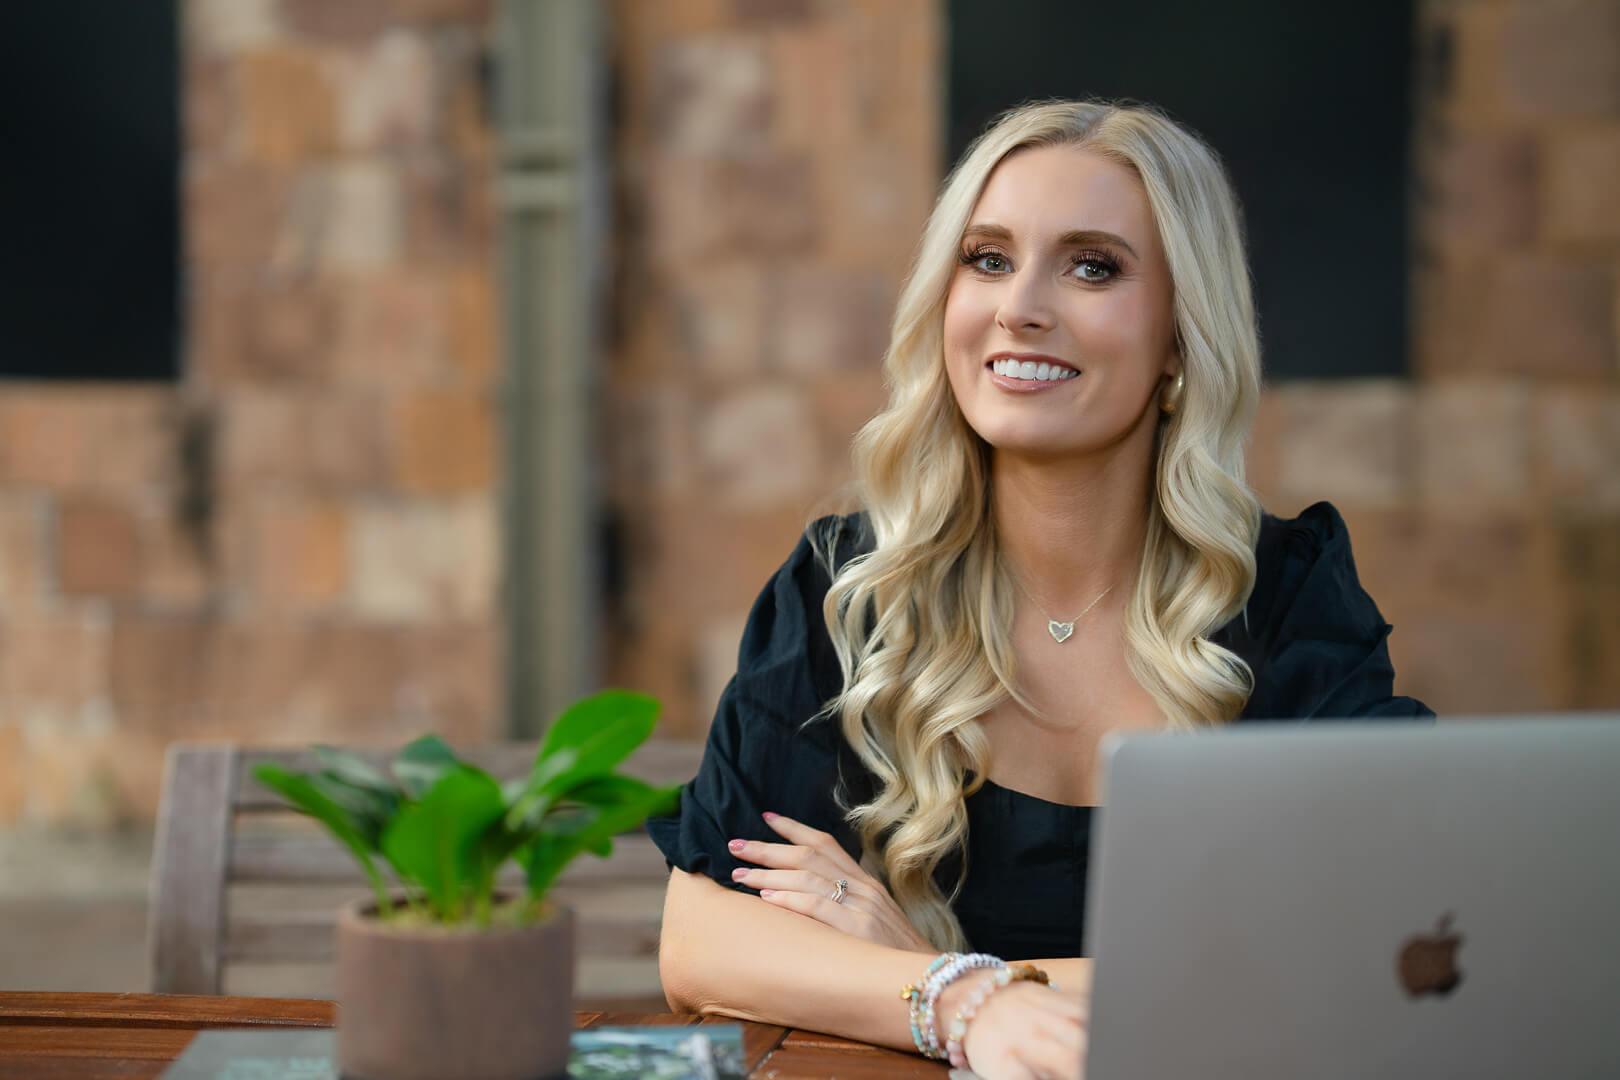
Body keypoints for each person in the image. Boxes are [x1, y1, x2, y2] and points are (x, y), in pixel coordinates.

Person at [648, 99, 1431, 1080]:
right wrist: (962, 1002)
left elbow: (1366, 960)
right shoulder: (845, 595)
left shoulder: (1292, 605)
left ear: (1182, 339)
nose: (1021, 304)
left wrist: (928, 971)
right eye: (987, 259)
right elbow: (702, 943)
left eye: (1092, 266)